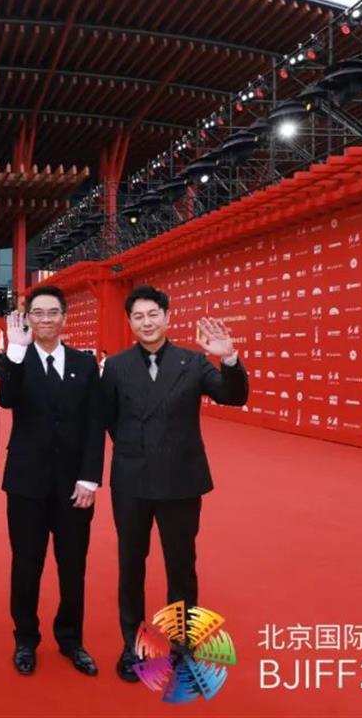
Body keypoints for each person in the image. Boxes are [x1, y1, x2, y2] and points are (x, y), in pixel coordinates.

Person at [99, 285, 249, 682]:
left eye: (153, 314)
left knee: (181, 564)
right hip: (131, 481)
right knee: (131, 563)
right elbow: (108, 419)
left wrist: (228, 358)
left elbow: (232, 396)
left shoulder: (193, 362)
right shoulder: (116, 366)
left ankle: (183, 645)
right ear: (130, 322)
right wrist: (136, 447)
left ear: (167, 317)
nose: (146, 322)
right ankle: (133, 645)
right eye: (138, 316)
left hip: (181, 481)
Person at [0, 285, 104, 677]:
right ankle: (25, 639)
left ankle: (71, 639)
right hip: (26, 483)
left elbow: (95, 424)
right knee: (27, 564)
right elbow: (6, 399)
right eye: (37, 313)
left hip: (74, 485)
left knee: (72, 566)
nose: (45, 319)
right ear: (28, 319)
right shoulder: (18, 358)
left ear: (64, 317)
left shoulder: (84, 364)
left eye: (52, 312)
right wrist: (14, 350)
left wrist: (90, 478)